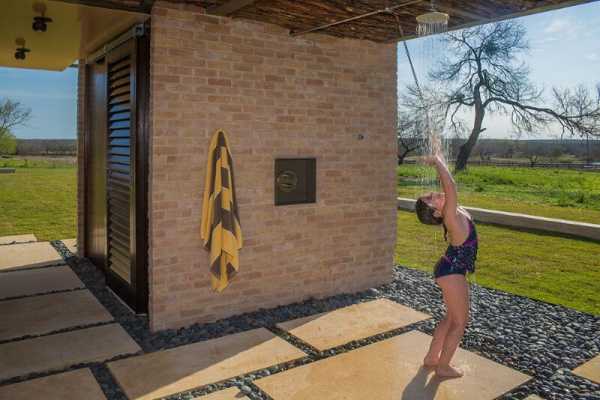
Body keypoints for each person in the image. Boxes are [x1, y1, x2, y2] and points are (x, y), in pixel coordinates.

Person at [415, 147, 478, 378]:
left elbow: (447, 187)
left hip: (449, 268)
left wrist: (437, 153)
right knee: (460, 322)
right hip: (452, 271)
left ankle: (432, 358)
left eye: (430, 194)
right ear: (438, 214)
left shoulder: (451, 210)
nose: (434, 194)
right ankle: (443, 367)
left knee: (450, 317)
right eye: (430, 199)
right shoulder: (450, 215)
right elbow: (451, 187)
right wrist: (438, 162)